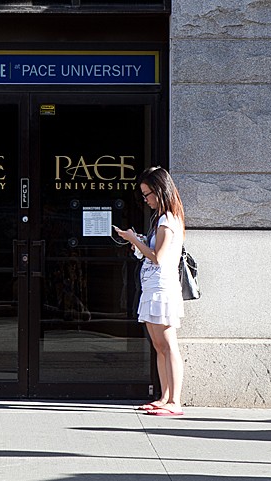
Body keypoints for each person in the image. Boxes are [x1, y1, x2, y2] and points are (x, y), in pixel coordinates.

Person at [115, 166, 186, 416]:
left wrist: (134, 240)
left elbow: (159, 257)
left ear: (159, 190)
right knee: (158, 345)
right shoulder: (160, 218)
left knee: (168, 345)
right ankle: (164, 396)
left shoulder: (168, 219)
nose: (146, 200)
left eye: (147, 194)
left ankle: (174, 401)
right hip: (153, 288)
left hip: (162, 289)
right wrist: (139, 240)